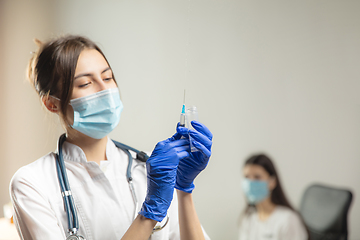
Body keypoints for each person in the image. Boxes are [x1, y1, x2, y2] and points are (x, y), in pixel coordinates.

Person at [9, 35, 213, 240]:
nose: (105, 89)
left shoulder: (152, 169)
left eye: (107, 78)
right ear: (52, 103)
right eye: (86, 83)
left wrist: (183, 189)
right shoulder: (32, 183)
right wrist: (150, 213)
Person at [238, 154, 308, 240]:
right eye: (247, 177)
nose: (251, 182)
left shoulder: (288, 220)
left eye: (257, 177)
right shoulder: (248, 219)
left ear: (272, 182)